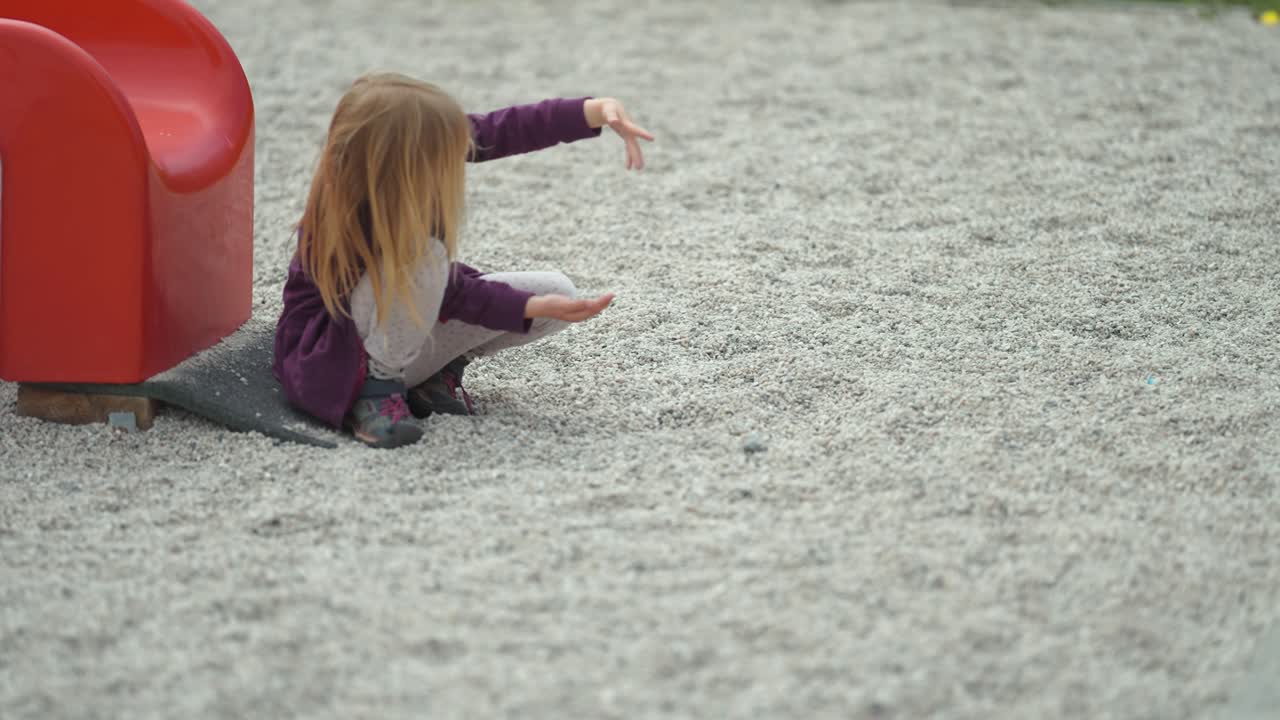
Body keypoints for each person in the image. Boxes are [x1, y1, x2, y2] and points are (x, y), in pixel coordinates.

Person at [272, 73, 654, 448]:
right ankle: (377, 392)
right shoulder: (342, 219)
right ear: (403, 164)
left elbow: (501, 130)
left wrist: (594, 110)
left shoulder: (407, 166)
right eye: (445, 155)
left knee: (558, 291)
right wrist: (524, 306)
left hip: (396, 342)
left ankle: (435, 376)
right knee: (427, 257)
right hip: (334, 365)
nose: (457, 160)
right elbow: (452, 292)